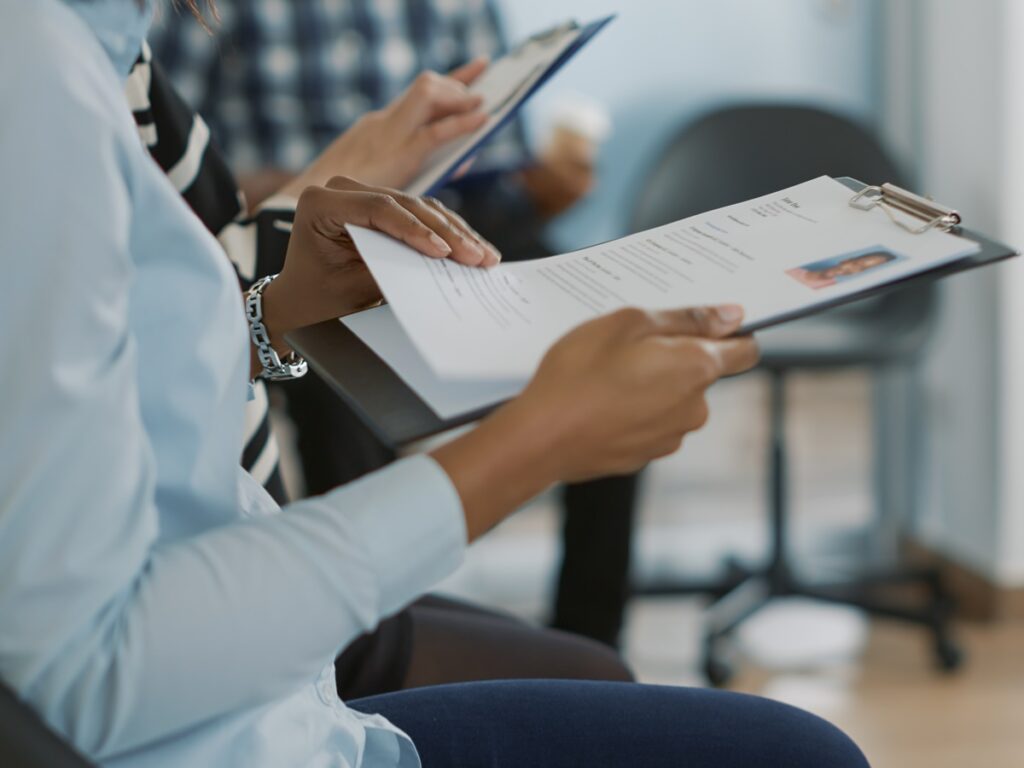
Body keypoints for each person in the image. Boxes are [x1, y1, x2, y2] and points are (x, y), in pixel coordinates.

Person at [0, 1, 874, 766]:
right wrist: (527, 447)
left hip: (273, 700)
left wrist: (273, 307)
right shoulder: (38, 79)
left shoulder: (88, 47)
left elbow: (123, 371)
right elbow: (85, 680)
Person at [125, 39, 632, 696]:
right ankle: (382, 618)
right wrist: (335, 173)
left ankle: (574, 616)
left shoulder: (117, 52)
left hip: (252, 526)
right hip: (225, 576)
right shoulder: (84, 65)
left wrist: (534, 185)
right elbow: (177, 309)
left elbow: (192, 309)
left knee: (604, 336)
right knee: (604, 687)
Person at [787, 250, 899, 289]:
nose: (853, 269)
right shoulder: (791, 271)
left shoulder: (828, 291)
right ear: (846, 260)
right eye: (856, 263)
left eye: (862, 269)